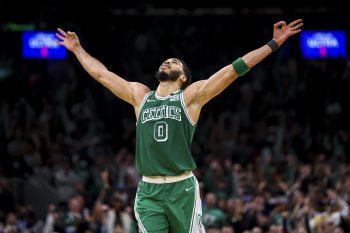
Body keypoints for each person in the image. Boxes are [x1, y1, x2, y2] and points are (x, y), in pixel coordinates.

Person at [56, 18, 303, 232]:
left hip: (181, 188)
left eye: (173, 62)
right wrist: (78, 50)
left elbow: (233, 70)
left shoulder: (190, 97)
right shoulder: (140, 95)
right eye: (165, 61)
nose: (166, 62)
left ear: (183, 76)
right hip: (148, 190)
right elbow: (102, 74)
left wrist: (273, 44)